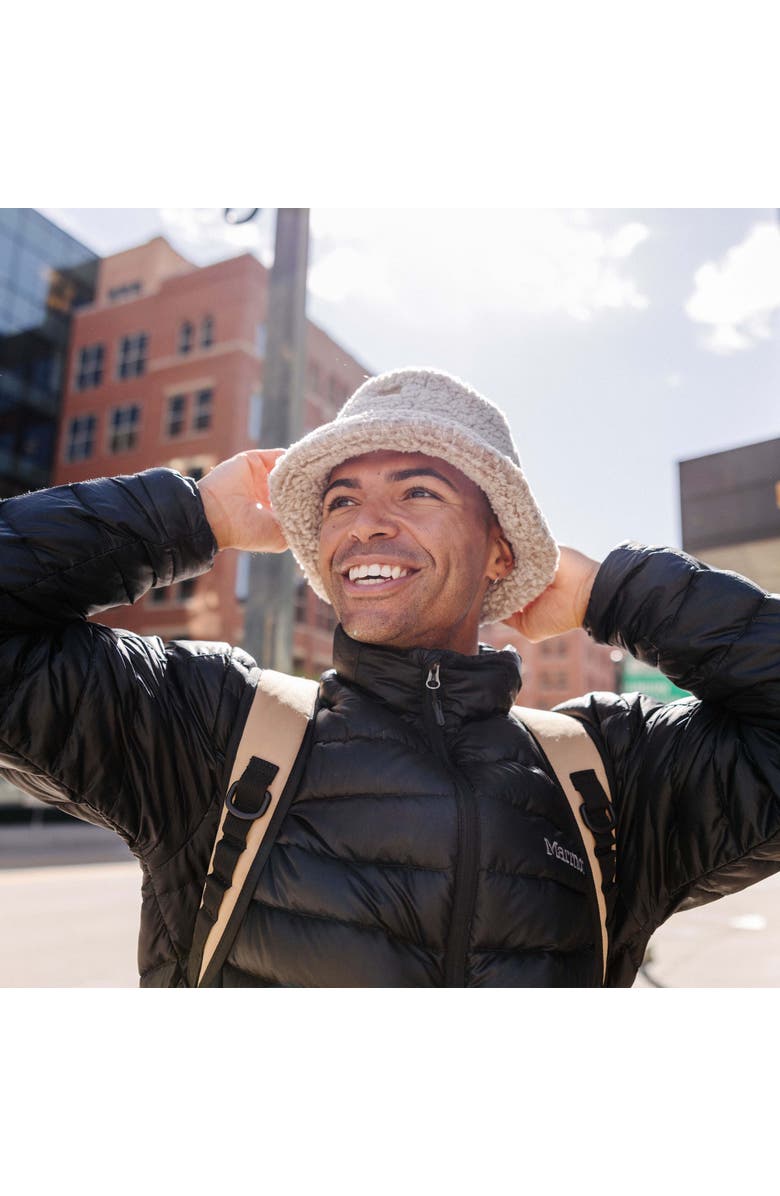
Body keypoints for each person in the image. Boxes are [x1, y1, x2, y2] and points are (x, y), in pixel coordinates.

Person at [1, 367, 778, 987]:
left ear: (500, 552)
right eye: (340, 500)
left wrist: (615, 594)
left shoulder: (608, 777)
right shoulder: (211, 726)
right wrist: (189, 514)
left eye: (417, 491)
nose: (365, 523)